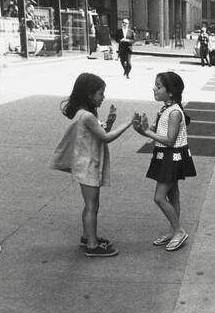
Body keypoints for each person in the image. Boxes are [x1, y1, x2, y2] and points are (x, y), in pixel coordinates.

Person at [48, 73, 134, 258]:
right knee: (91, 205)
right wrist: (127, 124)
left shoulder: (85, 115)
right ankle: (92, 246)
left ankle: (88, 237)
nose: (103, 97)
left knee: (92, 205)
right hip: (87, 166)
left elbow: (101, 133)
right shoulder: (86, 116)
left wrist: (110, 121)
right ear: (89, 94)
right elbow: (106, 137)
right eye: (101, 94)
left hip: (88, 164)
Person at [133, 71, 196, 251]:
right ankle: (172, 230)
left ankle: (178, 230)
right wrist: (141, 129)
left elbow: (169, 140)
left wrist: (146, 131)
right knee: (173, 195)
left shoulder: (174, 112)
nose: (154, 88)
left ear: (171, 92)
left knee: (159, 197)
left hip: (172, 157)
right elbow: (153, 132)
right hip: (166, 156)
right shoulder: (165, 109)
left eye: (158, 86)